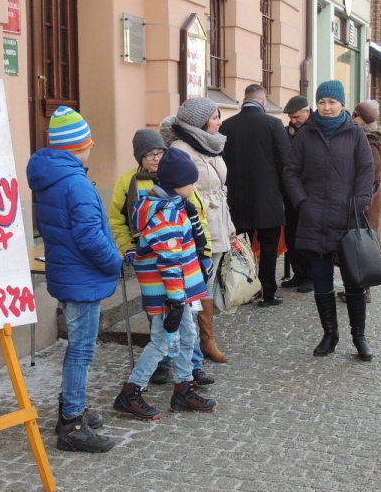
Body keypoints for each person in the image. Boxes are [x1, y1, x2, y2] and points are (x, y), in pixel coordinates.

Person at [26, 106, 121, 453]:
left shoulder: (54, 177)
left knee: (79, 349)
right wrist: (115, 263)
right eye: (90, 143)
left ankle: (72, 408)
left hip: (70, 274)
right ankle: (72, 423)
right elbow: (91, 237)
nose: (92, 149)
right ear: (78, 146)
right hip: (82, 277)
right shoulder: (75, 183)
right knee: (81, 351)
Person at [113, 148, 218, 420]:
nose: (193, 187)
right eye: (190, 182)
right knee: (161, 341)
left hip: (179, 292)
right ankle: (131, 392)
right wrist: (175, 302)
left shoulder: (172, 206)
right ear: (175, 184)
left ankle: (183, 388)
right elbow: (170, 264)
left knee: (189, 336)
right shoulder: (165, 217)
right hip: (169, 294)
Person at [283, 80, 375, 361]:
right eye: (322, 102)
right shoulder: (305, 134)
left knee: (353, 282)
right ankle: (330, 334)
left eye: (332, 102)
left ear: (342, 104)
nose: (327, 107)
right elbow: (291, 172)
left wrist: (358, 203)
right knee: (321, 281)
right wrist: (303, 202)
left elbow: (366, 170)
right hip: (314, 218)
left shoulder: (355, 133)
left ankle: (359, 337)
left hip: (347, 218)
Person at [164, 97, 235, 363]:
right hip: (198, 226)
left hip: (218, 221)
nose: (219, 121)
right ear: (200, 121)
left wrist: (229, 225)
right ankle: (202, 341)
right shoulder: (182, 148)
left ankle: (202, 340)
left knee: (209, 282)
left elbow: (219, 188)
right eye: (215, 116)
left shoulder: (208, 144)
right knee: (201, 285)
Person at [219, 84, 291, 307]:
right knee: (269, 249)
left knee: (240, 248)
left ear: (243, 99)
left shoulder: (227, 126)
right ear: (264, 101)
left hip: (237, 199)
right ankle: (268, 293)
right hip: (268, 199)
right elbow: (285, 163)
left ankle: (244, 291)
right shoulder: (273, 124)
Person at [350, 100, 381, 303]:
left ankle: (364, 289)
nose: (351, 117)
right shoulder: (372, 137)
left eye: (355, 114)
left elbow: (373, 176)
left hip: (368, 200)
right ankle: (359, 287)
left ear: (362, 118)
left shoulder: (370, 141)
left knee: (365, 243)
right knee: (364, 242)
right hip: (370, 198)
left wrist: (362, 202)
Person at [280, 95, 314, 293]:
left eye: (296, 117)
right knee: (292, 235)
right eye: (291, 118)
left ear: (307, 112)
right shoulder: (289, 132)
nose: (293, 121)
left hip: (310, 192)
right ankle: (299, 273)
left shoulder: (316, 130)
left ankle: (311, 276)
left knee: (308, 236)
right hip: (291, 192)